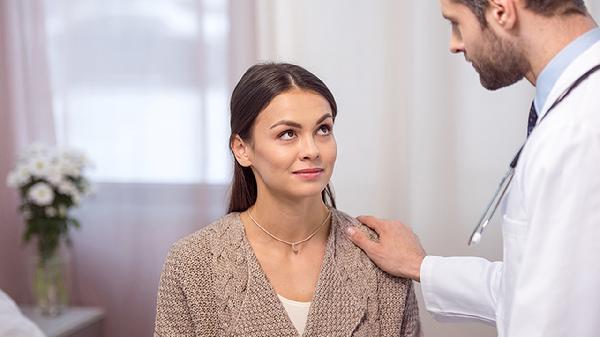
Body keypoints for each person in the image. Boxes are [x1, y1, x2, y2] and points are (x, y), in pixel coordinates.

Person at [347, 0, 600, 336]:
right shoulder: (574, 110)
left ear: (501, 10)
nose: (455, 44)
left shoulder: (579, 130)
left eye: (456, 22)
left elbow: (554, 321)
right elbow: (534, 288)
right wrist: (420, 265)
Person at [154, 63, 421, 336]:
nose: (312, 150)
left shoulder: (382, 256)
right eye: (287, 134)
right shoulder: (191, 262)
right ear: (242, 149)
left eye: (323, 129)